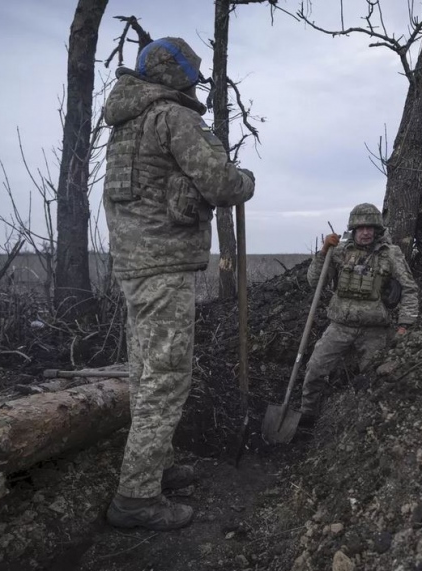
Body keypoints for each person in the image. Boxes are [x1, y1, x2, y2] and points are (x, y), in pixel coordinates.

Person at [102, 37, 255, 531]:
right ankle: (136, 498)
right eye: (191, 72)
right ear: (175, 73)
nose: (195, 81)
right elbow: (223, 184)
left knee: (146, 372)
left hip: (133, 264)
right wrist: (245, 179)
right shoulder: (173, 116)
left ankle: (157, 465)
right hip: (164, 266)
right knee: (167, 378)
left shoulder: (128, 120)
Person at [299, 203, 419, 426]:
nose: (365, 232)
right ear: (353, 229)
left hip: (375, 330)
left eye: (370, 228)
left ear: (377, 230)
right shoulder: (339, 252)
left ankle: (370, 421)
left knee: (376, 377)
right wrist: (324, 251)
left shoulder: (390, 254)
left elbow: (410, 289)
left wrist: (405, 324)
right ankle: (307, 416)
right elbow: (315, 282)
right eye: (361, 227)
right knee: (315, 368)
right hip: (340, 326)